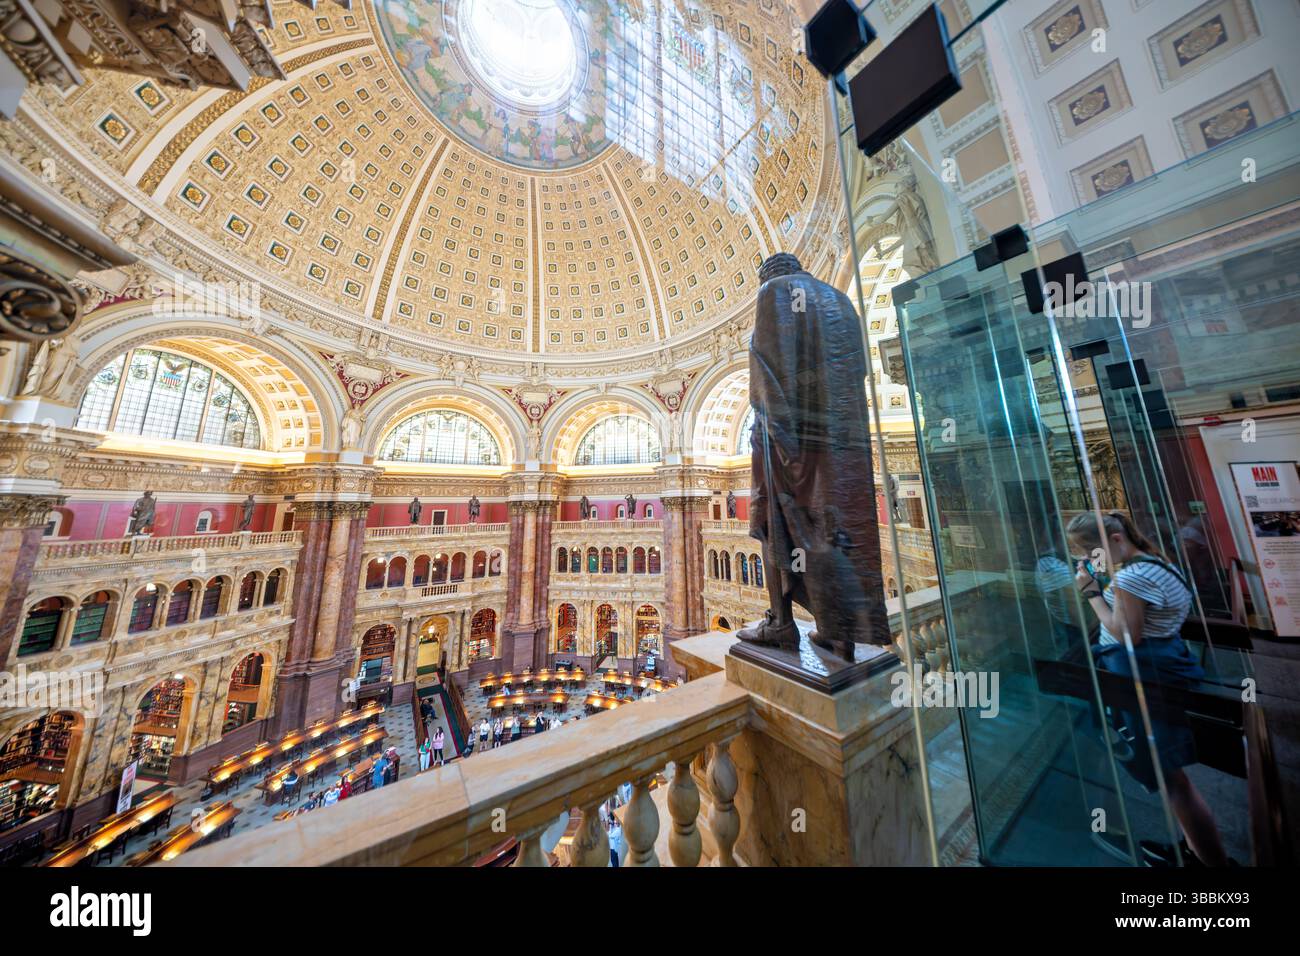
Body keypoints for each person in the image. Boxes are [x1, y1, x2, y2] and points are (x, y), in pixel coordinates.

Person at [1067, 510, 1229, 867]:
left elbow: (1127, 635)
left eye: (1094, 552)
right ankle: (1194, 848)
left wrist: (1092, 593)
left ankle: (1210, 860)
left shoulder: (1131, 579)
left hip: (1145, 676)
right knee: (1170, 776)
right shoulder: (1155, 563)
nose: (1091, 561)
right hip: (1157, 667)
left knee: (1170, 778)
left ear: (1116, 540)